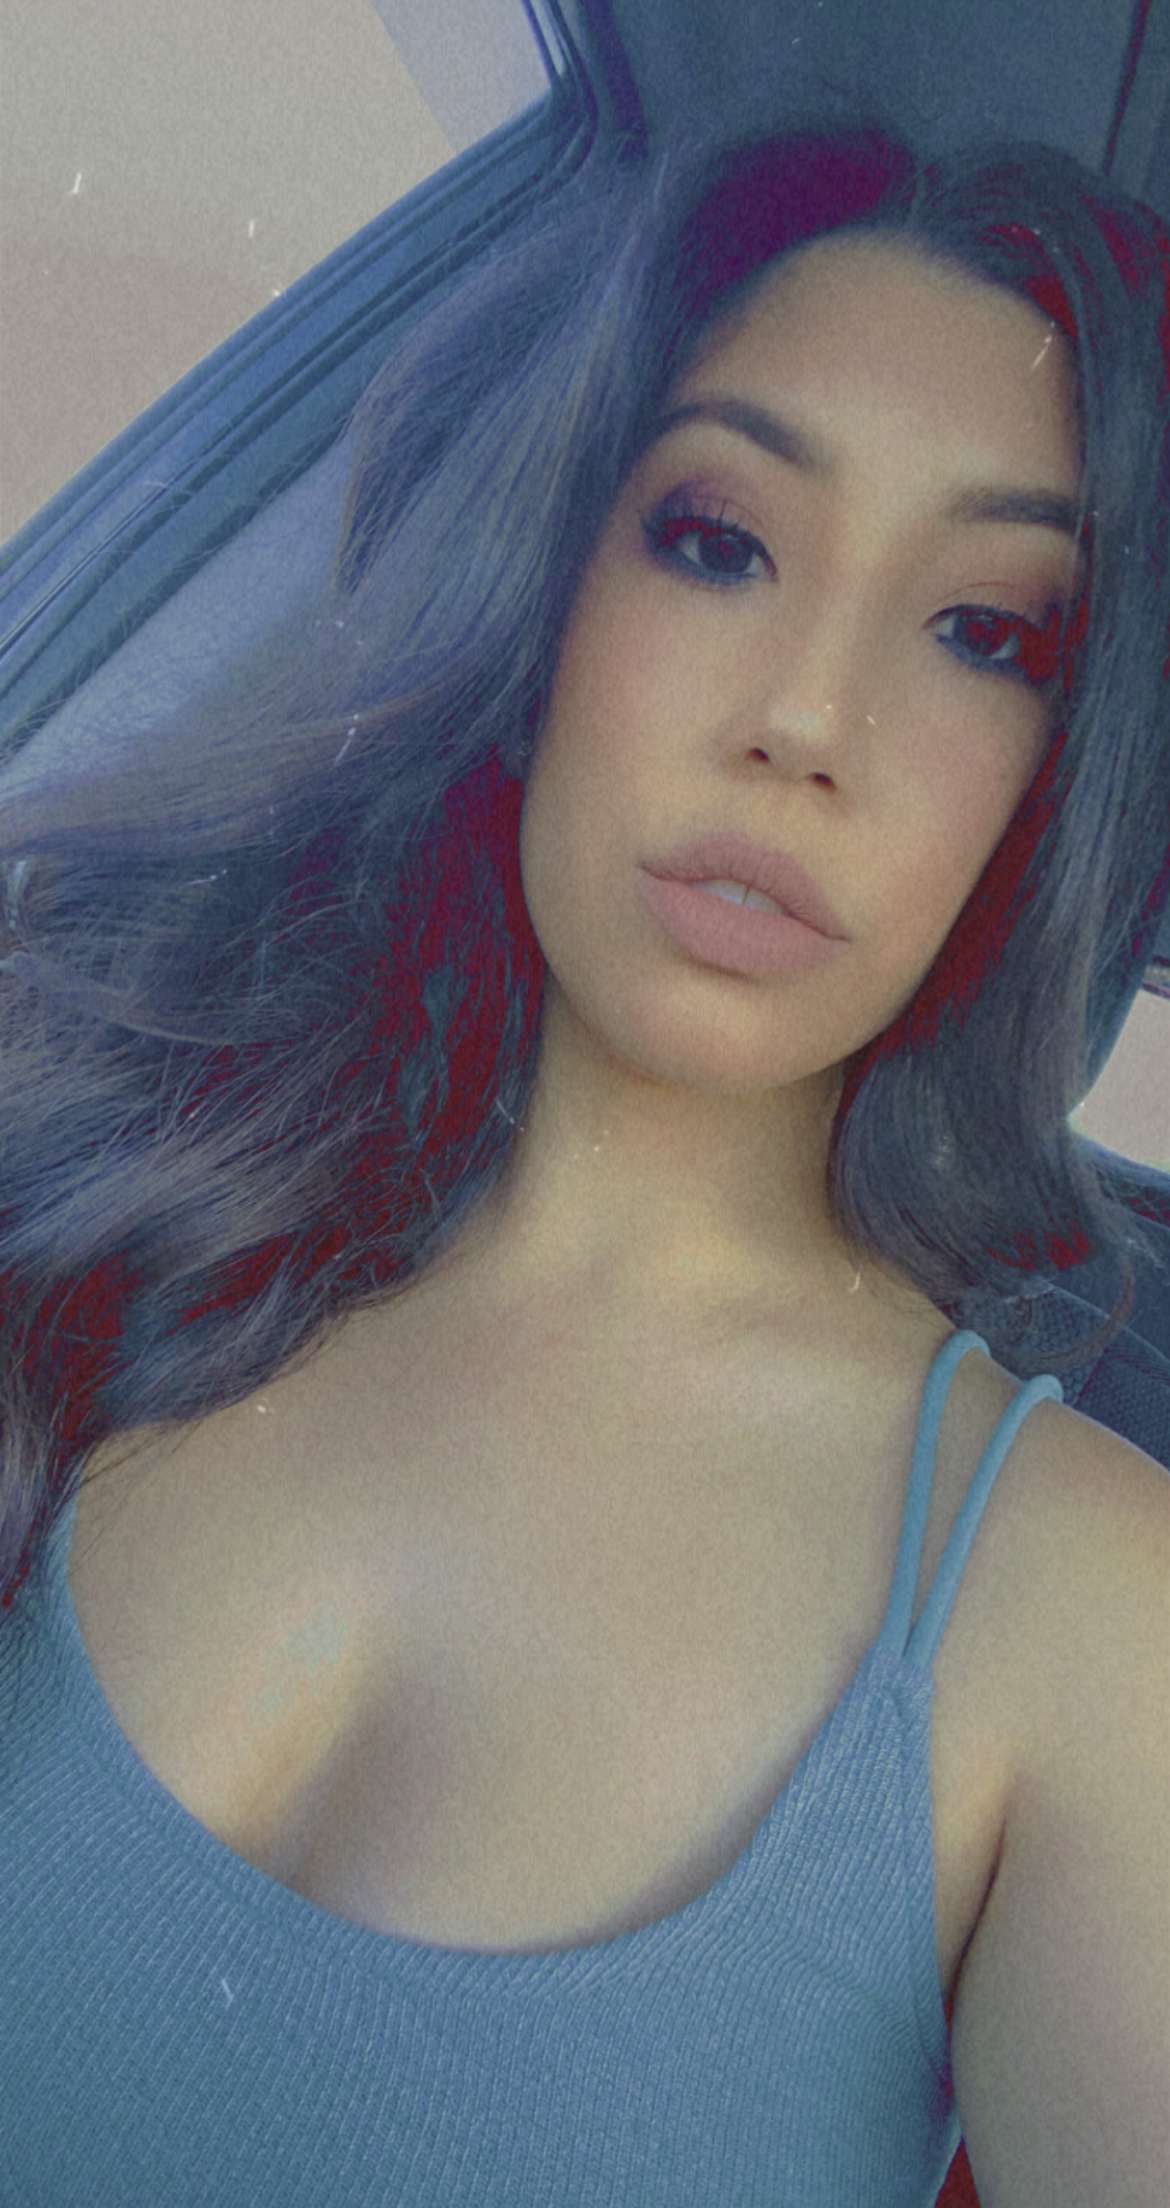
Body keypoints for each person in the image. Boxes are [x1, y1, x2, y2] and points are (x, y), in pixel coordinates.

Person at [0, 102, 1167, 2207]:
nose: (804, 718)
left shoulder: (1084, 1613)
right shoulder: (110, 1199)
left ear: (1056, 787)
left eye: (988, 632)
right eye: (716, 539)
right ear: (544, 604)